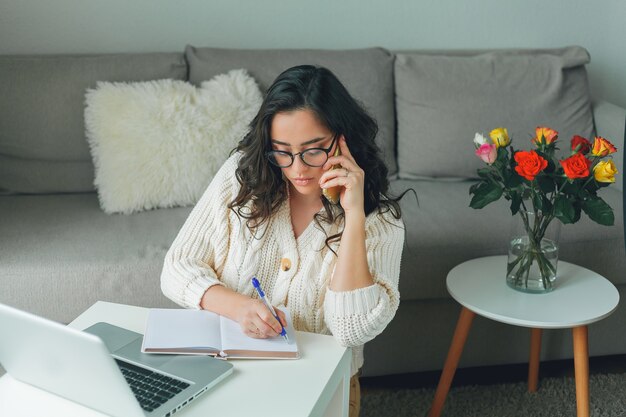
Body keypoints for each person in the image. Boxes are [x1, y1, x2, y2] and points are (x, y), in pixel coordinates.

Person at [161, 65, 407, 417]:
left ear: (343, 140)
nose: (297, 169)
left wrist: (353, 217)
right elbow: (176, 268)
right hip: (231, 372)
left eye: (312, 150)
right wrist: (239, 307)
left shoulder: (380, 221)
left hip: (320, 385)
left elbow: (352, 328)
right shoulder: (241, 177)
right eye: (282, 151)